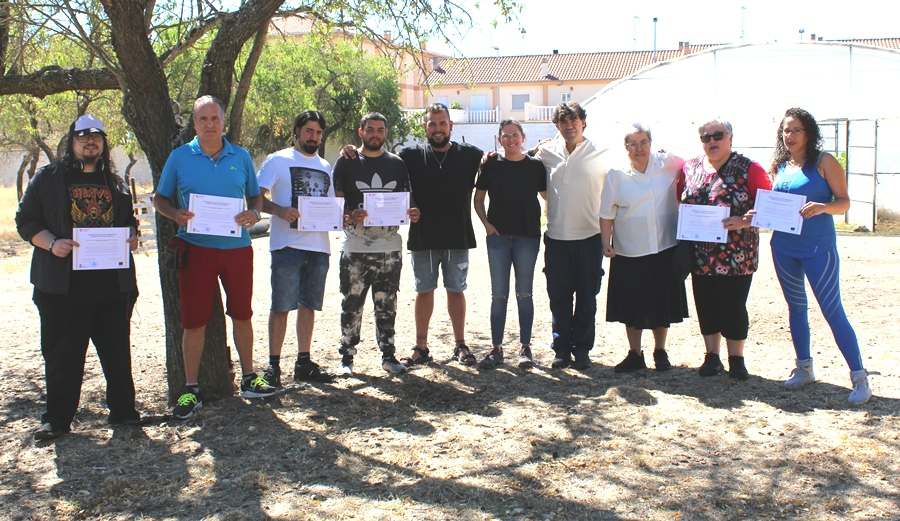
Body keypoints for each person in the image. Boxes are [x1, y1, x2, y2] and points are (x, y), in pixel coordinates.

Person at [16, 114, 142, 440]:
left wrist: (131, 234)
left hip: (112, 287)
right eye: (83, 136)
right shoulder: (48, 179)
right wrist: (51, 243)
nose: (90, 141)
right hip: (62, 288)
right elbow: (25, 220)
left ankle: (124, 412)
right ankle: (57, 420)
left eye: (97, 136)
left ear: (103, 143)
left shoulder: (114, 182)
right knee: (63, 357)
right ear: (71, 141)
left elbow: (128, 222)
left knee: (117, 353)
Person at [155, 95, 276, 420]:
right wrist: (174, 214)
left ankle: (249, 379)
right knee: (193, 322)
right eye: (203, 119)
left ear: (223, 122)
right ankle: (190, 389)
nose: (209, 124)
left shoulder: (241, 156)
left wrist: (254, 213)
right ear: (194, 123)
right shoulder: (180, 157)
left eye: (215, 118)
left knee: (242, 314)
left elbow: (255, 196)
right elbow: (160, 198)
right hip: (195, 248)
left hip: (237, 249)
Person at [766, 107, 876, 403]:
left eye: (796, 130)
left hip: (818, 249)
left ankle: (860, 378)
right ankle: (804, 368)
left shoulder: (824, 161)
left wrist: (823, 207)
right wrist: (759, 214)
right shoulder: (780, 165)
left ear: (809, 133)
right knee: (796, 308)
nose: (790, 135)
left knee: (832, 310)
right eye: (786, 130)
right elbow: (776, 206)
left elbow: (844, 202)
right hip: (784, 248)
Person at [681, 117, 772, 380]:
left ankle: (737, 359)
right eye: (706, 138)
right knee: (705, 304)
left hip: (737, 254)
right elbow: (680, 201)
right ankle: (712, 356)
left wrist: (744, 220)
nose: (712, 141)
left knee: (733, 306)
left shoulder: (749, 168)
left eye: (717, 136)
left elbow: (769, 208)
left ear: (730, 137)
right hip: (700, 254)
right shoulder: (690, 167)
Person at [332, 112, 421, 375]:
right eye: (370, 129)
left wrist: (413, 211)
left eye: (380, 130)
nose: (375, 134)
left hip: (389, 247)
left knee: (387, 304)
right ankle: (347, 358)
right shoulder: (346, 162)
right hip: (355, 246)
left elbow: (407, 198)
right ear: (361, 132)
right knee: (351, 303)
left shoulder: (397, 164)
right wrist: (349, 213)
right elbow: (335, 206)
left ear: (385, 133)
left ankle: (388, 356)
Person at [396, 103, 484, 367]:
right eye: (432, 124)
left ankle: (460, 345)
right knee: (424, 291)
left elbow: (504, 162)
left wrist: (536, 151)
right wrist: (351, 151)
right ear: (425, 126)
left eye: (442, 123)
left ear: (450, 126)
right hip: (423, 237)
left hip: (458, 236)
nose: (437, 129)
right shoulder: (409, 156)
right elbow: (381, 165)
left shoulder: (471, 155)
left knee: (456, 290)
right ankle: (421, 347)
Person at [599, 123, 689, 372]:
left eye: (643, 143)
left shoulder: (668, 163)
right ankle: (635, 354)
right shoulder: (615, 174)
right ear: (625, 147)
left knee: (662, 302)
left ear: (651, 144)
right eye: (633, 144)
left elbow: (692, 164)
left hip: (664, 246)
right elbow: (606, 213)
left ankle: (660, 351)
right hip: (630, 249)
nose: (639, 149)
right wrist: (605, 243)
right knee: (632, 305)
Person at [256, 110, 337, 386]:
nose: (313, 137)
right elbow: (255, 198)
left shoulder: (325, 166)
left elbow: (329, 206)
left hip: (319, 247)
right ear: (297, 132)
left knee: (308, 305)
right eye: (308, 131)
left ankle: (303, 362)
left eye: (318, 132)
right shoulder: (277, 160)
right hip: (286, 246)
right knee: (281, 306)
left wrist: (340, 217)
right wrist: (279, 211)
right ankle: (273, 366)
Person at [533, 101, 609, 370]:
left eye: (574, 120)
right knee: (559, 298)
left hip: (590, 237)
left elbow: (630, 166)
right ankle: (562, 349)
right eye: (563, 121)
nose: (569, 126)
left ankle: (583, 350)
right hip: (556, 238)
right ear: (556, 125)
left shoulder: (601, 152)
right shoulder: (546, 152)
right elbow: (520, 160)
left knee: (587, 298)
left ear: (583, 122)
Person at [473, 119, 546, 370]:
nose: (510, 139)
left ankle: (525, 348)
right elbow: (478, 199)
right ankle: (496, 348)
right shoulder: (491, 165)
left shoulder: (536, 166)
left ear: (523, 137)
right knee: (498, 295)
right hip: (498, 239)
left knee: (524, 294)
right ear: (499, 139)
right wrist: (486, 224)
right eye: (505, 135)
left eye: (515, 134)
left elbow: (548, 196)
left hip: (528, 237)